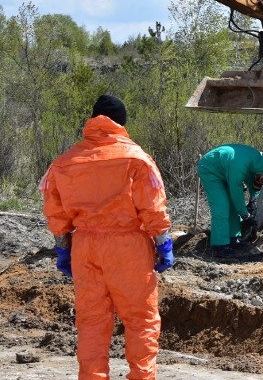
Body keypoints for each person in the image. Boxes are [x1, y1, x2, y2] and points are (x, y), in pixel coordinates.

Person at [40, 94, 174, 380]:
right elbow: (152, 205)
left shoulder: (64, 161)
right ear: (121, 123)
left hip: (85, 246)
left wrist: (63, 247)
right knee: (140, 320)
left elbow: (54, 208)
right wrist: (163, 241)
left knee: (91, 322)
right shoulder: (136, 157)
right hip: (128, 246)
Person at [197, 143, 263, 258]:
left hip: (225, 170)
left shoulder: (256, 161)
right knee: (222, 207)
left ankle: (233, 238)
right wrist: (245, 215)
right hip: (210, 170)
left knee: (233, 208)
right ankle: (219, 246)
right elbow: (236, 192)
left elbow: (252, 179)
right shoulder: (240, 166)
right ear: (261, 171)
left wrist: (253, 198)